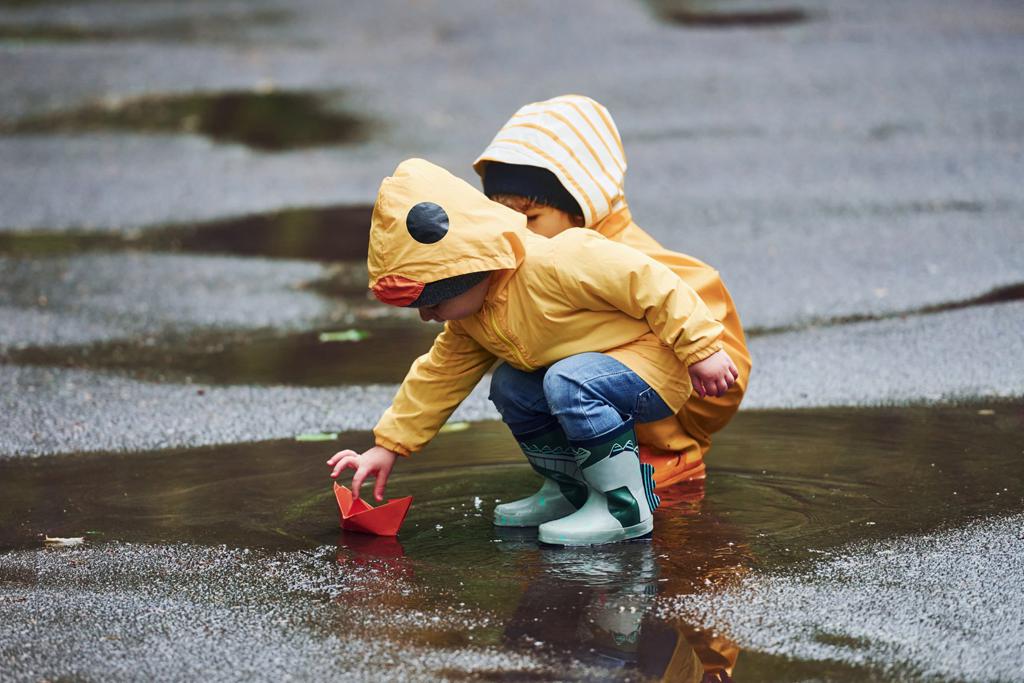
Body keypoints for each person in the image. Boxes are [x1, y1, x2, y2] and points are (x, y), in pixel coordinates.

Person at [328, 157, 738, 545]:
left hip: (654, 367)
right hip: (590, 375)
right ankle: (572, 490)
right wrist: (388, 446)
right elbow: (437, 377)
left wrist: (701, 349)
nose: (427, 316)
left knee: (568, 381)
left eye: (434, 303)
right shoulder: (471, 319)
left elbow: (654, 283)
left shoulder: (558, 260)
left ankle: (624, 508)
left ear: (468, 271)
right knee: (510, 384)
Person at [472, 94, 751, 516]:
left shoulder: (634, 262)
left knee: (581, 374)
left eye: (530, 218)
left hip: (665, 396)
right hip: (587, 383)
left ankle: (665, 456)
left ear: (586, 203)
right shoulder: (528, 262)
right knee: (518, 379)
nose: (517, 232)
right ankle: (573, 478)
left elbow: (708, 334)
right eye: (502, 218)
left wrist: (701, 354)